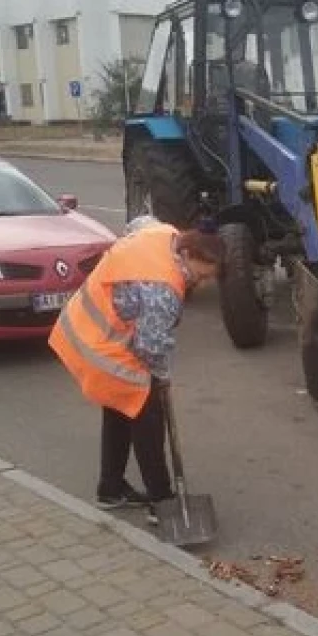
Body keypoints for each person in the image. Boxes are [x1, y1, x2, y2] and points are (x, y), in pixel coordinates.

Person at [49, 216, 221, 518]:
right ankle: (161, 502)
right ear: (189, 255)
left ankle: (110, 489)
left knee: (120, 408)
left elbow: (136, 224)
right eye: (203, 274)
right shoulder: (164, 290)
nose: (202, 283)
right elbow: (151, 347)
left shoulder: (165, 232)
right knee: (147, 418)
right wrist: (162, 378)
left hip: (82, 325)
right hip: (101, 346)